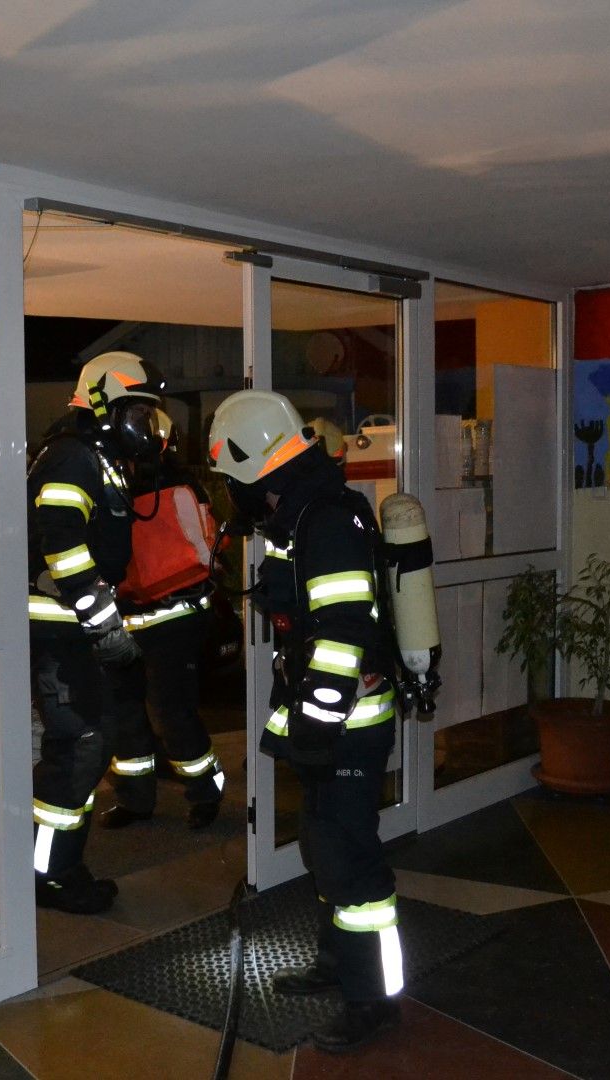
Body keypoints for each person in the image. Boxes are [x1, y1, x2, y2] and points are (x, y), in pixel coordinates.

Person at [207, 389, 404, 1053]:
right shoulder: (301, 514)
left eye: (230, 478)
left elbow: (344, 633)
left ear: (252, 468)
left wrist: (317, 724)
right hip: (329, 720)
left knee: (353, 865)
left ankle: (373, 999)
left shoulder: (324, 521)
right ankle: (338, 964)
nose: (229, 493)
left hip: (348, 724)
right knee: (326, 850)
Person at [26, 350, 165, 914]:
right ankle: (47, 876)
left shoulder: (95, 458)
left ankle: (57, 867)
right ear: (105, 403)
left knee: (88, 745)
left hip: (74, 631)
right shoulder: (71, 457)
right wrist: (104, 623)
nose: (146, 426)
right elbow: (62, 546)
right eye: (139, 413)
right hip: (59, 633)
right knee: (79, 748)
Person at [101, 409, 226, 831]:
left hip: (174, 616)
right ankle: (135, 798)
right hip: (128, 616)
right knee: (126, 714)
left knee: (170, 713)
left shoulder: (175, 485)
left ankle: (206, 792)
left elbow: (205, 550)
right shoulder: (114, 483)